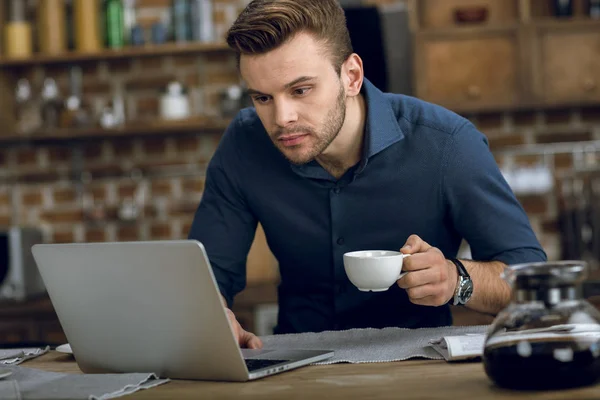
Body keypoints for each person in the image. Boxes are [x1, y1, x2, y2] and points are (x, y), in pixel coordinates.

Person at [188, 0, 546, 349]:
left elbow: (532, 282)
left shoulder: (447, 144)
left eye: (301, 90)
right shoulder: (244, 143)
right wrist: (213, 315)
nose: (282, 118)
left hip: (417, 366)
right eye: (263, 98)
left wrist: (457, 280)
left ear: (352, 77)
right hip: (296, 367)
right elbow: (208, 276)